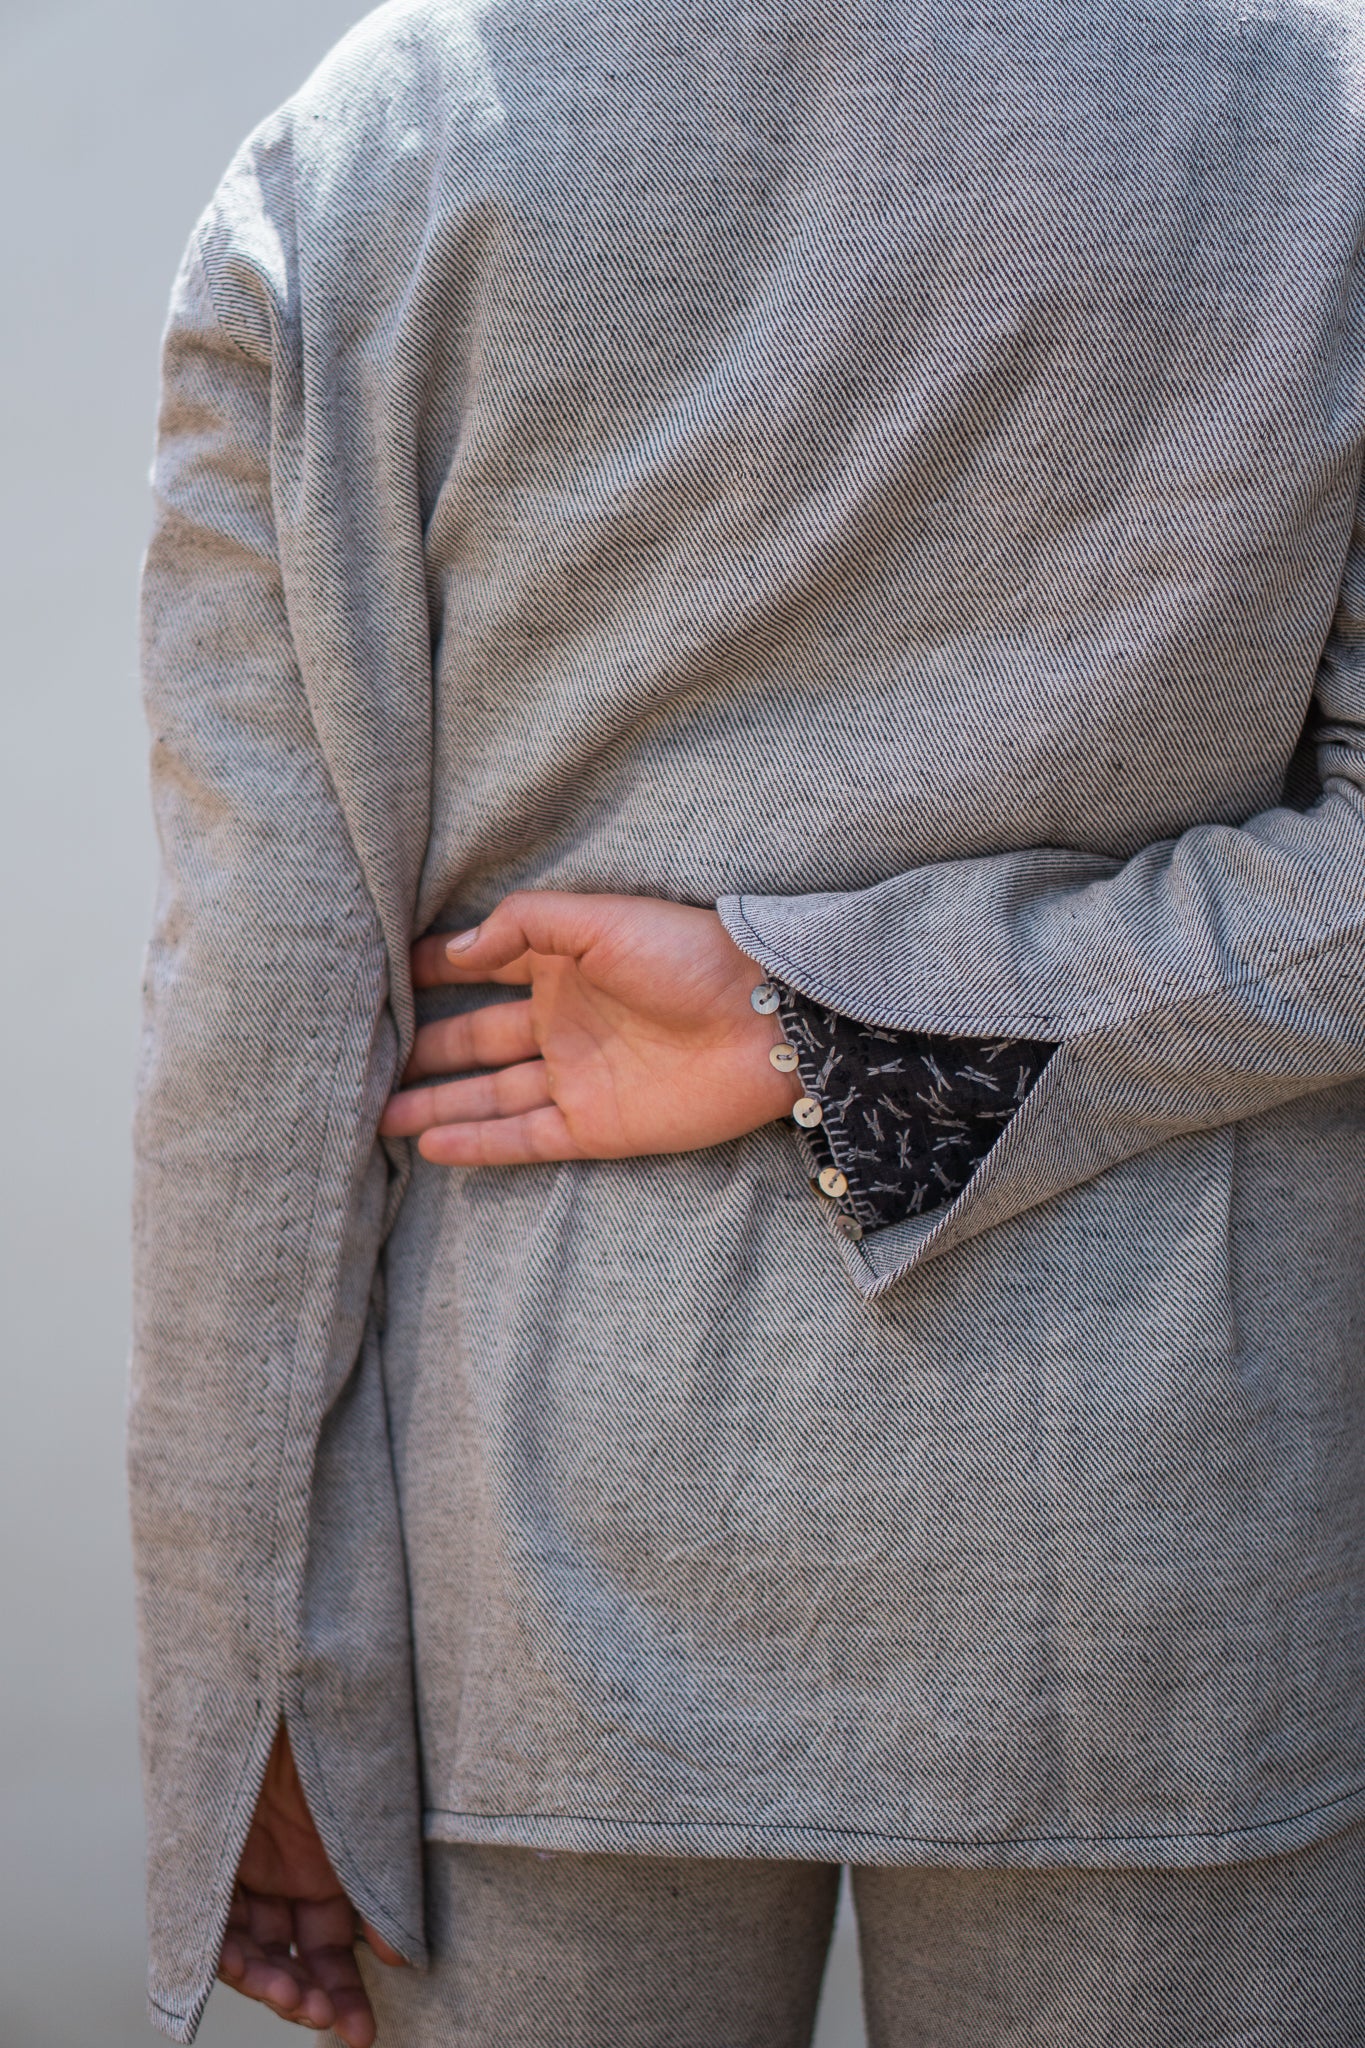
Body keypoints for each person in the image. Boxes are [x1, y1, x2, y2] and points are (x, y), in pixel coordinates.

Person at [131, 0, 1365, 2041]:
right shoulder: (1316, 112)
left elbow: (256, 1018)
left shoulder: (360, 165)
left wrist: (253, 1674)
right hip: (1162, 1582)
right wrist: (858, 1023)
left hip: (531, 1584)